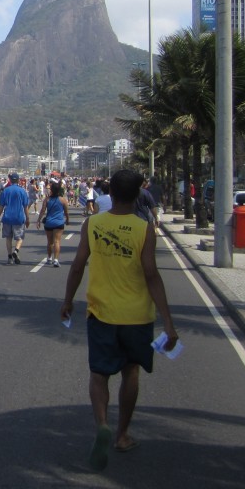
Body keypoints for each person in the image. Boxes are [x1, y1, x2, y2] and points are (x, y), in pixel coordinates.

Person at [60, 169, 179, 471]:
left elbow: (77, 266)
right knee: (131, 374)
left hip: (101, 313)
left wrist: (68, 301)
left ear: (110, 193)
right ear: (138, 194)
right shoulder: (143, 229)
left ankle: (102, 423)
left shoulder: (93, 223)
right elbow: (152, 274)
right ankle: (123, 434)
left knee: (99, 374)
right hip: (137, 316)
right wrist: (168, 322)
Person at [0, 172, 30, 264]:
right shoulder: (22, 191)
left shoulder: (6, 191)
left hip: (7, 217)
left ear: (10, 180)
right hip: (18, 217)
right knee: (19, 238)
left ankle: (9, 256)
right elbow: (25, 206)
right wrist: (27, 218)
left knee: (8, 238)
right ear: (18, 180)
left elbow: (1, 206)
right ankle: (16, 251)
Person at [38, 177, 69, 267]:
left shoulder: (47, 200)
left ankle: (49, 257)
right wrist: (67, 220)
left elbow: (43, 211)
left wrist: (38, 220)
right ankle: (56, 259)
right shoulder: (63, 200)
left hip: (49, 222)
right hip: (59, 223)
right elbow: (66, 212)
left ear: (51, 190)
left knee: (49, 242)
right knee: (57, 242)